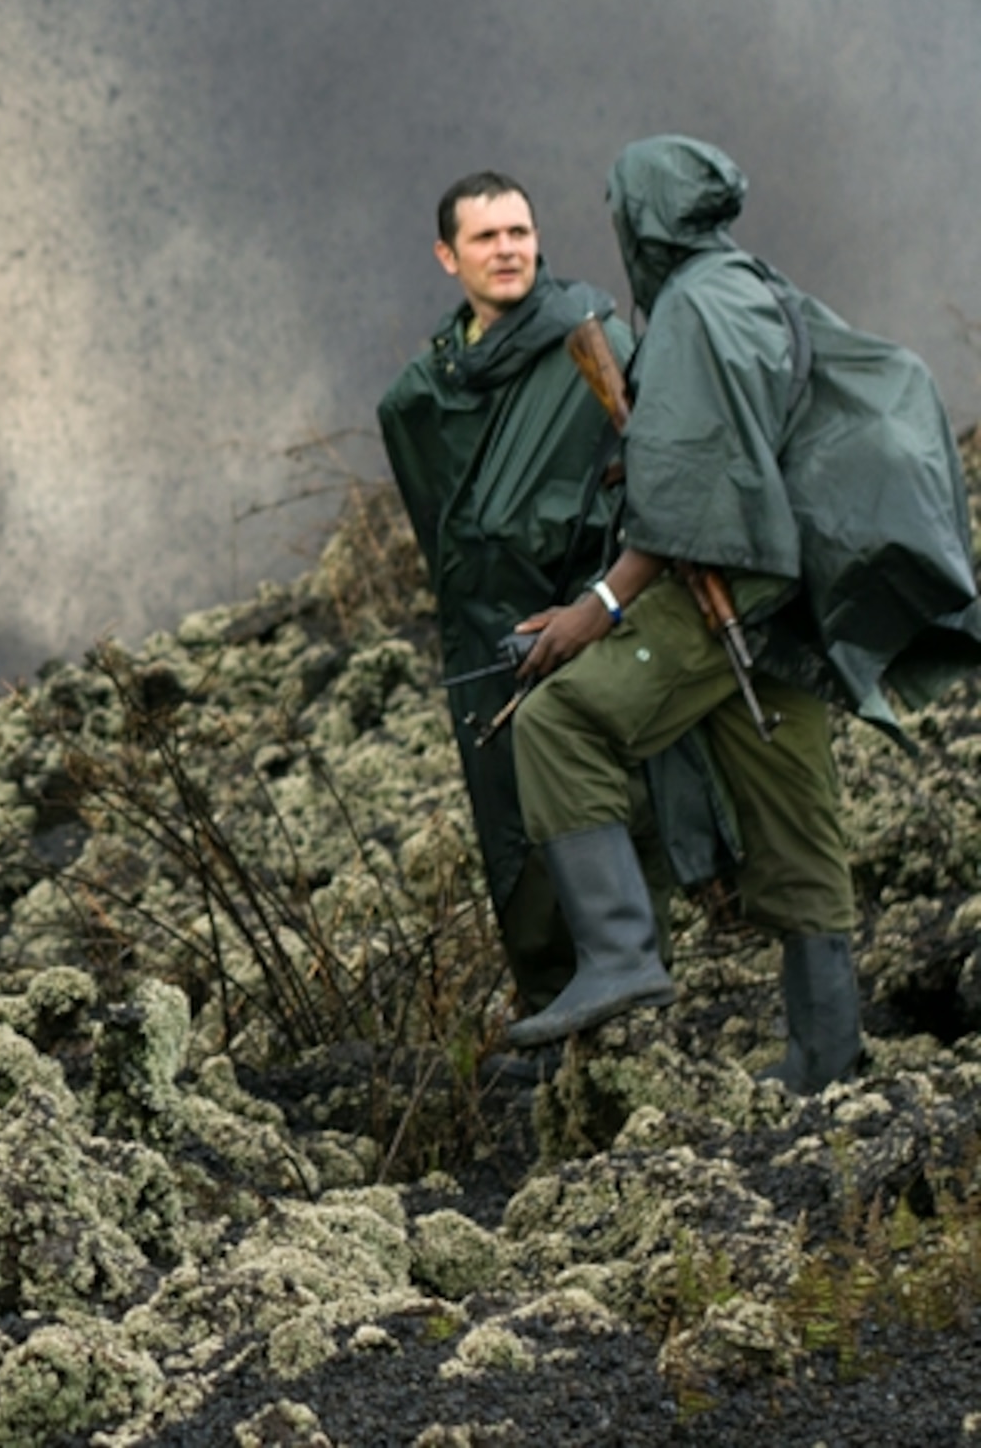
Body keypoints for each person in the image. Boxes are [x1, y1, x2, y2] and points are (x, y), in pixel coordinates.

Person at [504, 137, 981, 1089]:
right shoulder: (758, 288)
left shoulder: (690, 310)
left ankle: (619, 956)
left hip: (731, 586)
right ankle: (827, 1064)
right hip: (784, 606)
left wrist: (597, 606)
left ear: (642, 220)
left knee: (560, 721)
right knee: (794, 810)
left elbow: (695, 487)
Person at [377, 171, 721, 1017]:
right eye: (487, 237)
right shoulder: (422, 396)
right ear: (446, 254)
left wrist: (600, 599)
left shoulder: (591, 339)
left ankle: (636, 1014)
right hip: (486, 641)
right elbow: (442, 534)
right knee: (512, 836)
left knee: (615, 803)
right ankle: (549, 1019)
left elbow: (659, 477)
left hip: (591, 620)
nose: (507, 251)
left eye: (519, 233)